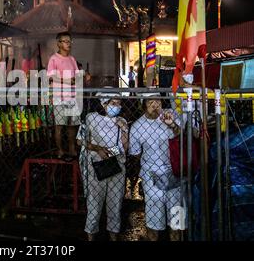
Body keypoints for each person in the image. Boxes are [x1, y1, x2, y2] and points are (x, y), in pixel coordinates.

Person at [129, 93, 184, 241]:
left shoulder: (171, 114)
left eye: (157, 100)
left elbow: (183, 136)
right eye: (150, 101)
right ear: (143, 104)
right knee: (154, 224)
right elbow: (135, 154)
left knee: (176, 222)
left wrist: (172, 125)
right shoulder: (137, 126)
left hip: (174, 172)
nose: (155, 105)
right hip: (151, 175)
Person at [77, 91, 128, 241]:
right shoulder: (91, 118)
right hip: (96, 166)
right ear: (103, 104)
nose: (117, 106)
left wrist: (123, 129)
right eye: (113, 103)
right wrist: (98, 149)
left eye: (119, 103)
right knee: (94, 204)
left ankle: (113, 236)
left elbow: (125, 146)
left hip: (116, 167)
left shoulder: (122, 120)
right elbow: (81, 141)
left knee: (115, 204)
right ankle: (91, 236)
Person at [47, 32, 82, 159]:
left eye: (69, 41)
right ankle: (60, 150)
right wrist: (67, 81)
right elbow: (51, 77)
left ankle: (72, 149)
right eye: (65, 41)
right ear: (59, 43)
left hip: (72, 97)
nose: (68, 44)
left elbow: (77, 75)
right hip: (59, 97)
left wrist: (84, 76)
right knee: (59, 126)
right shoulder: (54, 59)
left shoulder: (72, 59)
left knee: (72, 125)